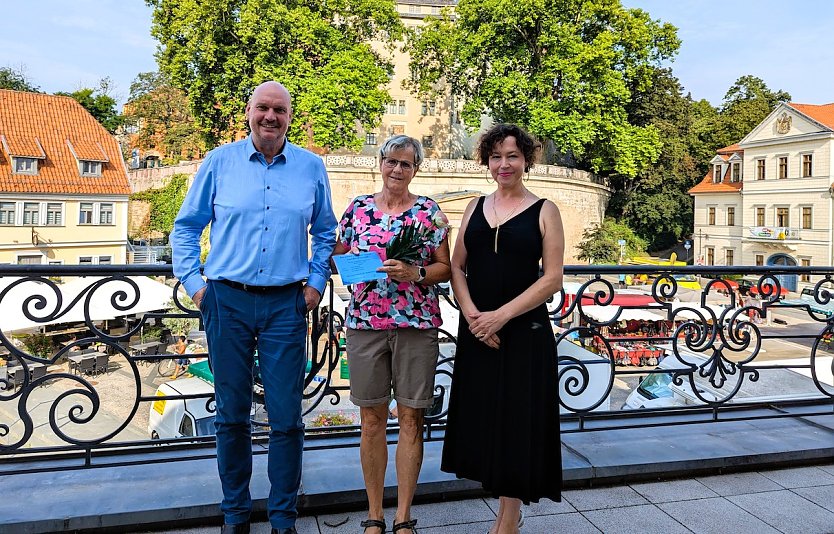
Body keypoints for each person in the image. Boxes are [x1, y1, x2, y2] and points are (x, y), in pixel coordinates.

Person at [170, 81, 337, 534]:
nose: (270, 116)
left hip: (287, 304)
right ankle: (235, 514)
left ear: (289, 116)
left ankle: (283, 517)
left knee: (286, 416)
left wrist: (317, 285)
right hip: (226, 301)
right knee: (230, 414)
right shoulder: (219, 162)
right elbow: (185, 228)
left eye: (279, 110)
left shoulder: (311, 167)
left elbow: (325, 232)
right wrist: (195, 286)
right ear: (249, 112)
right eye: (262, 108)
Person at [441, 123, 564, 534]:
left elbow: (551, 279)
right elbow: (457, 266)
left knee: (516, 421)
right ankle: (502, 503)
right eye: (496, 156)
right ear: (486, 162)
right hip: (478, 329)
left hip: (523, 330)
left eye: (512, 155)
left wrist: (500, 316)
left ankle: (508, 516)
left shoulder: (546, 209)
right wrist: (475, 315)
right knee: (485, 417)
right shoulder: (475, 206)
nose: (504, 164)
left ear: (527, 159)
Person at [332, 135, 451, 534]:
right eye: (391, 161)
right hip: (365, 323)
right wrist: (353, 266)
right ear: (379, 163)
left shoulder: (429, 213)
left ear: (416, 169)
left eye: (406, 164)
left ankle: (403, 516)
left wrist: (415, 273)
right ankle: (374, 514)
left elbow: (444, 268)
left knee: (412, 418)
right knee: (370, 420)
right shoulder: (358, 208)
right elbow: (338, 253)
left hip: (416, 324)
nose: (397, 170)